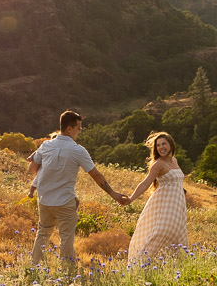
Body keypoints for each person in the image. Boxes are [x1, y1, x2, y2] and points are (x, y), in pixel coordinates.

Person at [28, 110, 129, 267]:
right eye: (79, 128)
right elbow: (96, 175)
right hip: (64, 201)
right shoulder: (78, 150)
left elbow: (32, 168)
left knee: (42, 234)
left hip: (45, 200)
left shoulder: (46, 145)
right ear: (69, 129)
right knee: (66, 237)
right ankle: (68, 271)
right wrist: (113, 194)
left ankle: (34, 267)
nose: (80, 132)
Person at [126, 131, 187, 265]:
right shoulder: (158, 164)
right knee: (160, 232)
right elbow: (145, 183)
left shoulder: (174, 161)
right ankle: (139, 263)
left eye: (164, 143)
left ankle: (169, 266)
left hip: (177, 206)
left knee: (176, 235)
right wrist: (131, 199)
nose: (161, 147)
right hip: (164, 205)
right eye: (158, 145)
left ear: (170, 144)